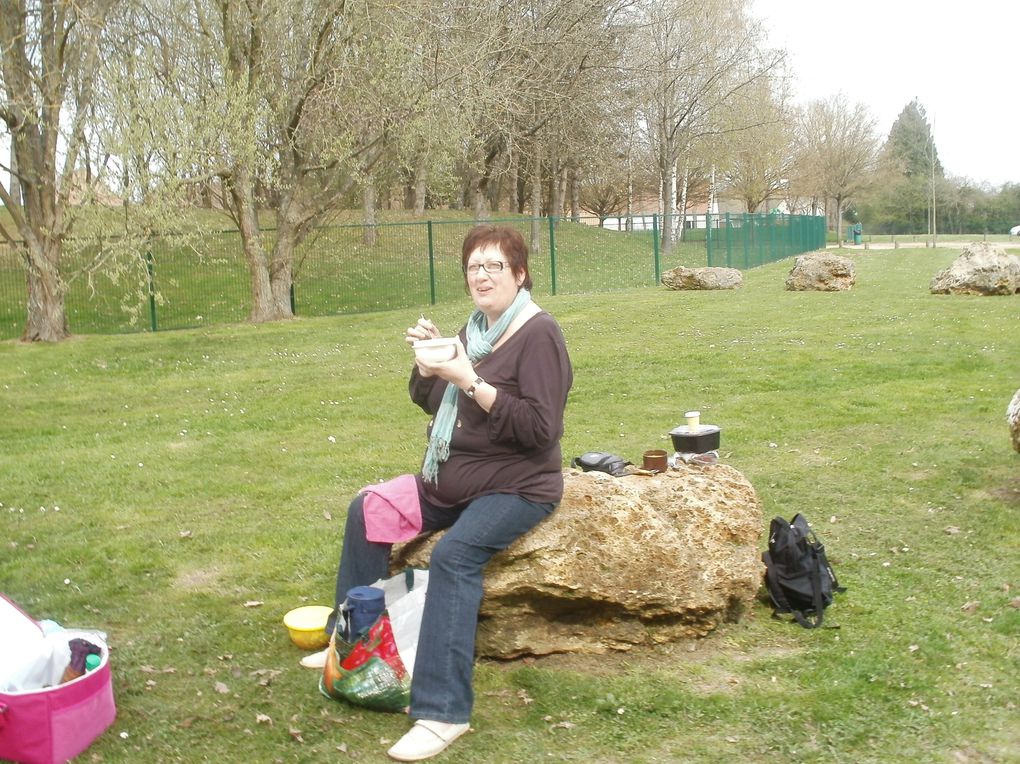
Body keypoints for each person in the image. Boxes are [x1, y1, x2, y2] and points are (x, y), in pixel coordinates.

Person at [311, 224, 572, 762]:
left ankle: (442, 712)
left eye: (494, 266)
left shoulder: (538, 333)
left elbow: (541, 429)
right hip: (449, 481)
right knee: (368, 508)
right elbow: (430, 402)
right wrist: (429, 364)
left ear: (519, 275)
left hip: (517, 486)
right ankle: (353, 639)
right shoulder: (474, 328)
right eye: (473, 266)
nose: (481, 275)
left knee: (453, 558)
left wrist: (469, 380)